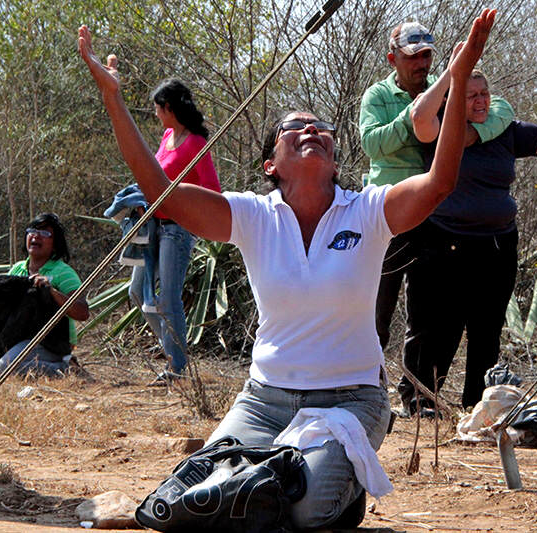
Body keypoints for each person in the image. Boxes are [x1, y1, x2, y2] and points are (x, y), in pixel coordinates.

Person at [79, 9, 494, 529]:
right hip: (263, 403)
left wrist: (459, 79)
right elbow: (162, 195)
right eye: (294, 127)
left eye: (321, 128)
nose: (312, 131)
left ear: (336, 157)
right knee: (178, 503)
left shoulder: (368, 210)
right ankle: (273, 475)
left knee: (304, 506)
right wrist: (113, 99)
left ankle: (321, 483)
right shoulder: (253, 216)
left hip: (351, 402)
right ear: (270, 163)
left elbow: (439, 182)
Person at [406, 49, 537, 409]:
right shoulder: (441, 129)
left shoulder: (503, 132)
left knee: (487, 328)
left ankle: (478, 404)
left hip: (498, 244)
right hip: (445, 241)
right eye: (471, 95)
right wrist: (455, 73)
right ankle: (423, 400)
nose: (481, 100)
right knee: (442, 326)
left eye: (485, 93)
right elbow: (420, 117)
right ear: (457, 99)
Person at [359, 20, 515, 418]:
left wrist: (471, 134)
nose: (421, 64)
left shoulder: (447, 94)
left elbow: (494, 110)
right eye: (413, 57)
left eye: (427, 56)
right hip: (386, 214)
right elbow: (373, 143)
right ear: (393, 58)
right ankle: (363, 392)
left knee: (426, 315)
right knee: (374, 309)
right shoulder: (379, 95)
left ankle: (415, 398)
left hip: (432, 218)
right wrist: (416, 117)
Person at [126, 79, 220, 383]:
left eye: (157, 108)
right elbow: (155, 174)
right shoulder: (167, 136)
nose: (155, 113)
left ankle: (177, 368)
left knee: (168, 298)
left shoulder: (195, 143)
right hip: (153, 223)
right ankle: (172, 347)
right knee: (137, 291)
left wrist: (183, 199)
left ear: (169, 108)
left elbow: (213, 190)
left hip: (178, 229)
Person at [0, 213, 90, 377]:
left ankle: (68, 369)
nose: (36, 236)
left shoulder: (63, 273)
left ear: (55, 244)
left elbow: (82, 312)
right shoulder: (17, 269)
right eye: (32, 231)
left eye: (45, 233)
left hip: (50, 342)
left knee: (4, 369)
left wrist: (52, 292)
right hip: (15, 337)